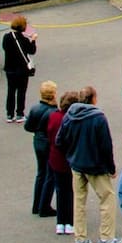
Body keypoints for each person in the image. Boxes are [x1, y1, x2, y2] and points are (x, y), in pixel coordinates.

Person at [56, 87, 122, 243]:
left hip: (77, 165)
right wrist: (111, 168)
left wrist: (71, 154)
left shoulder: (70, 116)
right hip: (96, 166)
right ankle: (106, 238)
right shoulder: (98, 118)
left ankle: (80, 239)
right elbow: (106, 146)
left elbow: (60, 141)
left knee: (79, 202)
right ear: (93, 99)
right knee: (107, 199)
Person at [25, 81, 60, 219]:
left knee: (40, 173)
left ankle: (37, 204)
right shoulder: (53, 112)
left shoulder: (35, 109)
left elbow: (28, 127)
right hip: (48, 143)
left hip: (37, 141)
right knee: (50, 175)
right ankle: (44, 206)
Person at [47, 92, 77, 234]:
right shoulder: (71, 120)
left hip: (55, 158)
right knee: (70, 191)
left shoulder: (53, 116)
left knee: (60, 191)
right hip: (69, 159)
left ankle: (60, 222)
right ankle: (70, 222)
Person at [2, 16, 39, 124]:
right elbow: (32, 51)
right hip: (22, 69)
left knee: (11, 91)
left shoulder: (7, 37)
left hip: (9, 69)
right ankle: (19, 114)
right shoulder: (24, 39)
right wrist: (33, 40)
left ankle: (9, 114)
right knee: (21, 92)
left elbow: (5, 48)